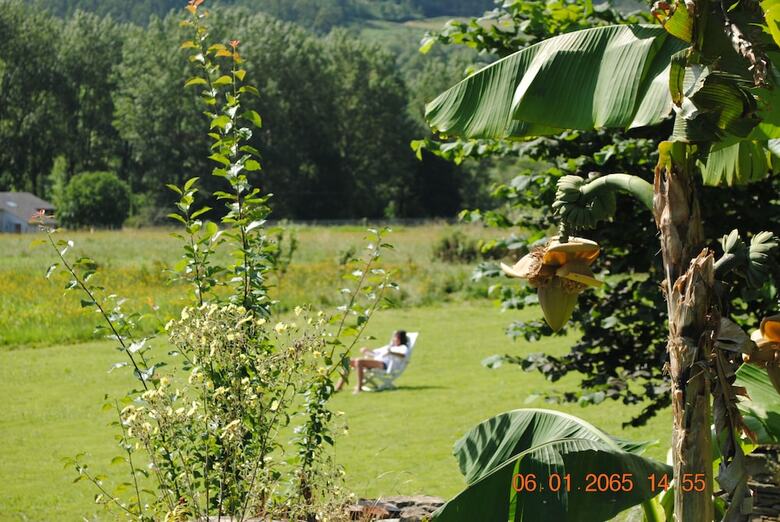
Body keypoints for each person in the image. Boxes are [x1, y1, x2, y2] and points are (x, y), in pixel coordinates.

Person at [335, 330, 409, 394]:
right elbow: (375, 353)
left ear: (401, 339)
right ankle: (339, 387)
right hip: (376, 361)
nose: (394, 339)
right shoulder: (389, 347)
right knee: (348, 361)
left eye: (396, 337)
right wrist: (367, 350)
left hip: (384, 365)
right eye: (395, 337)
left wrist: (391, 352)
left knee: (359, 361)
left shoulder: (402, 347)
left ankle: (359, 388)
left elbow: (403, 355)